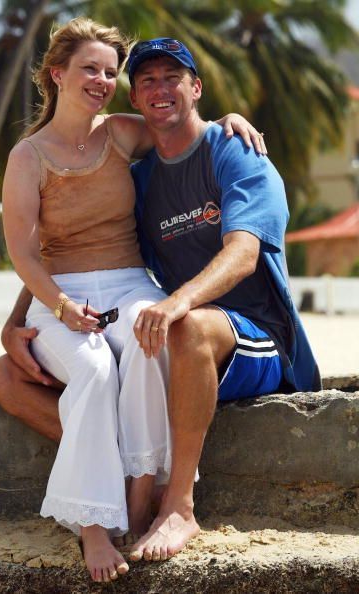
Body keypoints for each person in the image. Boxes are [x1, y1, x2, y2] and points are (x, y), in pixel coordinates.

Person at [0, 19, 265, 583]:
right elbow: (24, 254)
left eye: (111, 72)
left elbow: (183, 128)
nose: (103, 80)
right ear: (56, 74)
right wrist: (57, 309)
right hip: (60, 292)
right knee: (91, 368)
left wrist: (228, 121)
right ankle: (93, 524)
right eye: (91, 68)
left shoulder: (118, 132)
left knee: (147, 338)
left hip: (130, 283)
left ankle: (138, 501)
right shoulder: (27, 157)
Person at [120, 38, 321, 563]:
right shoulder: (139, 181)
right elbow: (77, 237)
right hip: (189, 331)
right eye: (147, 81)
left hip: (259, 336)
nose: (161, 89)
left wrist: (176, 302)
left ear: (196, 87)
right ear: (136, 100)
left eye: (172, 77)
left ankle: (180, 507)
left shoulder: (235, 150)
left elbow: (244, 253)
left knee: (186, 325)